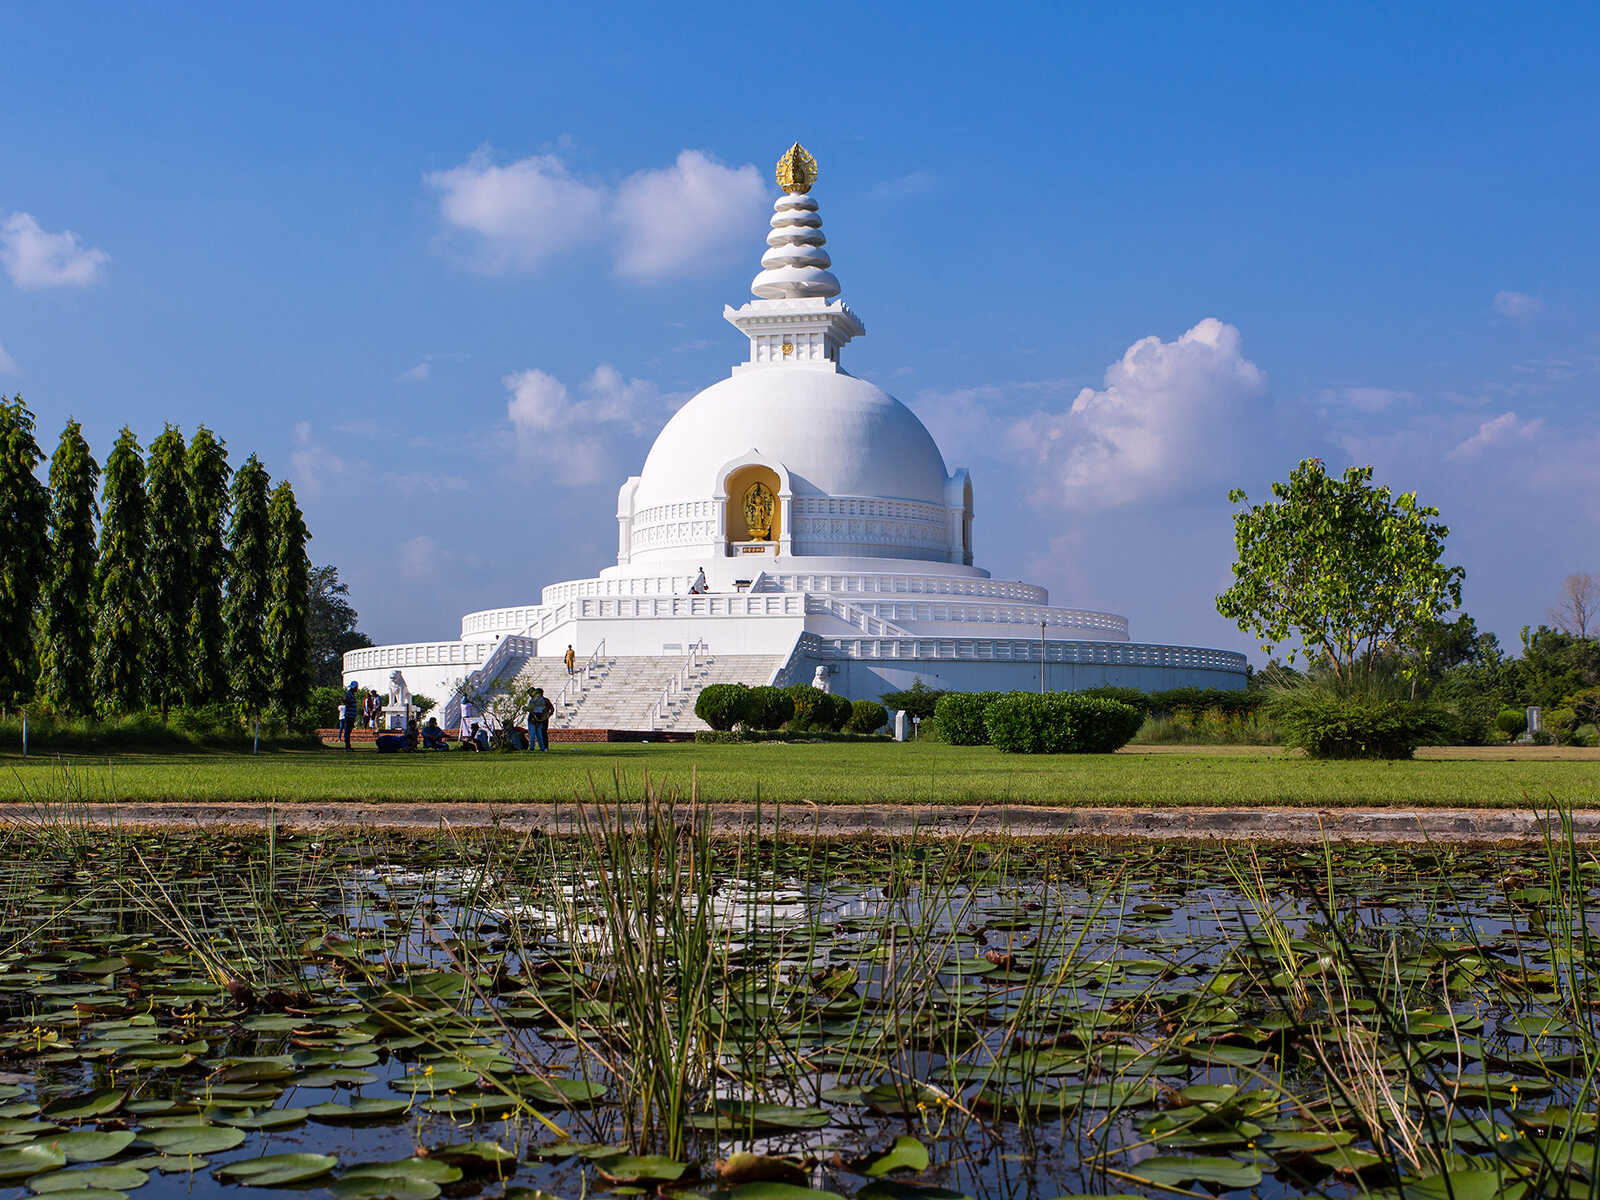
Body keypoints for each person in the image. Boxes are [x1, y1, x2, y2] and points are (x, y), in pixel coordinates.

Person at [526, 687, 553, 752]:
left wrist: (526, 709)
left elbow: (530, 709)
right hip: (541, 718)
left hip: (533, 718)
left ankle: (532, 748)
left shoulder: (533, 700)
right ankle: (543, 747)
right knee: (540, 734)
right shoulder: (544, 700)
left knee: (532, 734)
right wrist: (547, 716)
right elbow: (551, 709)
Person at [339, 681, 360, 751]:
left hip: (351, 715)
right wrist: (349, 704)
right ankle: (347, 747)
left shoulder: (351, 694)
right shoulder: (349, 694)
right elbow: (345, 700)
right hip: (349, 715)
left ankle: (348, 746)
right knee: (347, 731)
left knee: (349, 730)